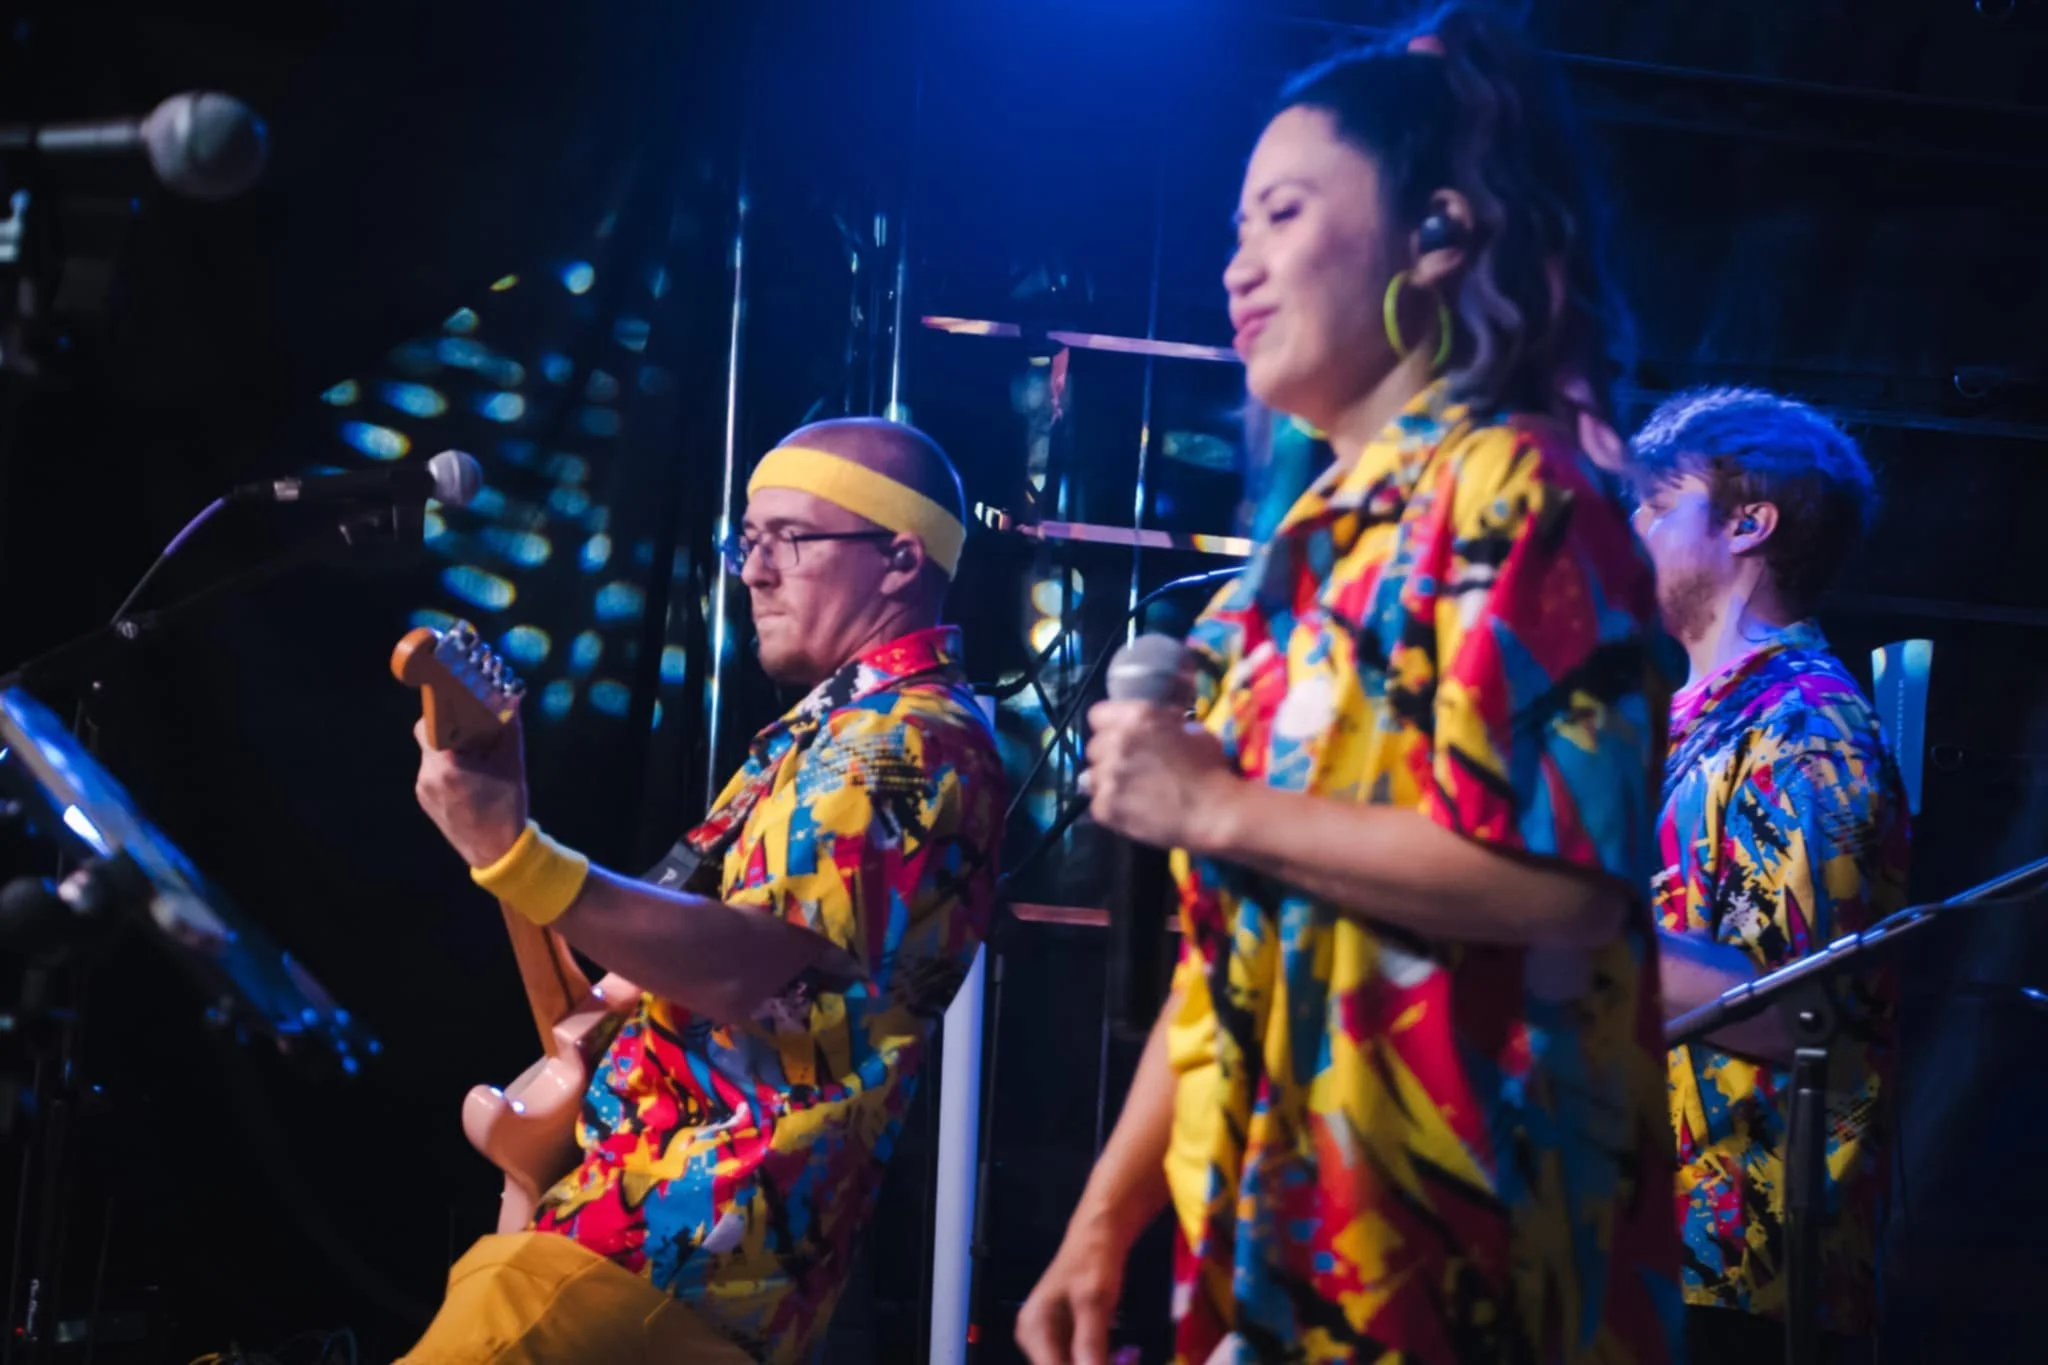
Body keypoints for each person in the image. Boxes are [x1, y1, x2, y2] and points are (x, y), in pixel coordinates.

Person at [1016, 6, 1684, 1362]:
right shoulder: (1295, 567)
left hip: (1468, 1277)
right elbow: (1232, 948)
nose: (1238, 269)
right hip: (1285, 1256)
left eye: (1281, 214)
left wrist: (1212, 808)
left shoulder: (1522, 494)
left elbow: (1559, 881)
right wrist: (1103, 1218)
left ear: (1436, 236)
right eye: (1234, 230)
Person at [403, 417, 1008, 1365]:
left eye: (790, 540)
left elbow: (741, 964)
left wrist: (516, 852)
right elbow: (647, 983)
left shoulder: (902, 744)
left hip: (673, 1245)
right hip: (635, 1241)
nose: (754, 571)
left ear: (899, 558)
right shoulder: (827, 735)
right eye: (749, 540)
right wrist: (513, 830)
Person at [1628, 388, 1908, 1364]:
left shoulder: (1800, 730)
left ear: (1747, 523)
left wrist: (1550, 923)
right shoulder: (1701, 720)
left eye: (1655, 505)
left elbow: (1796, 1013)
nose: (1630, 529)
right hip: (1651, 1248)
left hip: (1737, 1268)